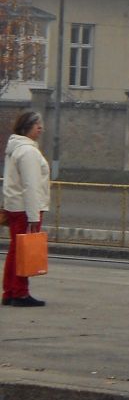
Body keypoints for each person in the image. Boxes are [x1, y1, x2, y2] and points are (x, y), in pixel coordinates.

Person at [2, 109, 50, 308]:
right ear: (26, 127)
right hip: (26, 208)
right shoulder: (29, 151)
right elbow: (31, 186)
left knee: (15, 250)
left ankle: (10, 291)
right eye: (36, 124)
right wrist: (33, 216)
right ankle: (21, 292)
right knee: (23, 252)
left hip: (15, 206)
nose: (40, 128)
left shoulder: (15, 148)